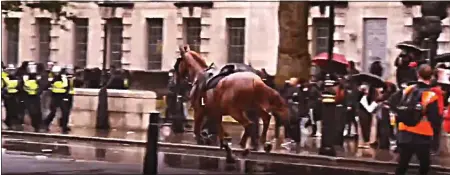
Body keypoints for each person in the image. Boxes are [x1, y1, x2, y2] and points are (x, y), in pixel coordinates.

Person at [395, 64, 441, 175]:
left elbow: (399, 106)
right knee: (424, 165)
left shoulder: (408, 89)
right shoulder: (431, 95)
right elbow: (434, 119)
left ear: (417, 74)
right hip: (422, 135)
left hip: (404, 132)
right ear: (431, 77)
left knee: (402, 164)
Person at [43, 66, 71, 133]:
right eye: (55, 72)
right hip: (55, 97)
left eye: (57, 72)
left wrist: (66, 96)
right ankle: (46, 124)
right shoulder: (53, 78)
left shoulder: (64, 78)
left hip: (62, 96)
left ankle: (64, 127)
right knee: (53, 112)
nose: (56, 74)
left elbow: (67, 87)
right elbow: (48, 85)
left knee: (65, 112)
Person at [20, 62, 43, 132]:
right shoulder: (25, 77)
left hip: (35, 96)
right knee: (30, 111)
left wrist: (38, 92)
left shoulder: (38, 77)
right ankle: (33, 125)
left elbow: (42, 85)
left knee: (37, 111)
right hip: (27, 96)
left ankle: (37, 125)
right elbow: (21, 86)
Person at [2, 64, 21, 130]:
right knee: (9, 111)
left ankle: (12, 124)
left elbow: (19, 87)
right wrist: (4, 93)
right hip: (7, 96)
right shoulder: (5, 78)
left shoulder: (17, 78)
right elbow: (3, 87)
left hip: (15, 96)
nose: (11, 71)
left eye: (12, 70)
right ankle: (10, 124)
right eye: (10, 70)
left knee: (14, 111)